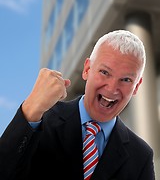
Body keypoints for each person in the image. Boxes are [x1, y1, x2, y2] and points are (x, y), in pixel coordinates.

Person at [0, 30, 155, 180]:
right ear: (87, 69)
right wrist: (31, 108)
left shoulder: (141, 156)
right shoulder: (41, 120)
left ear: (136, 86)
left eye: (126, 80)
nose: (112, 88)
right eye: (105, 72)